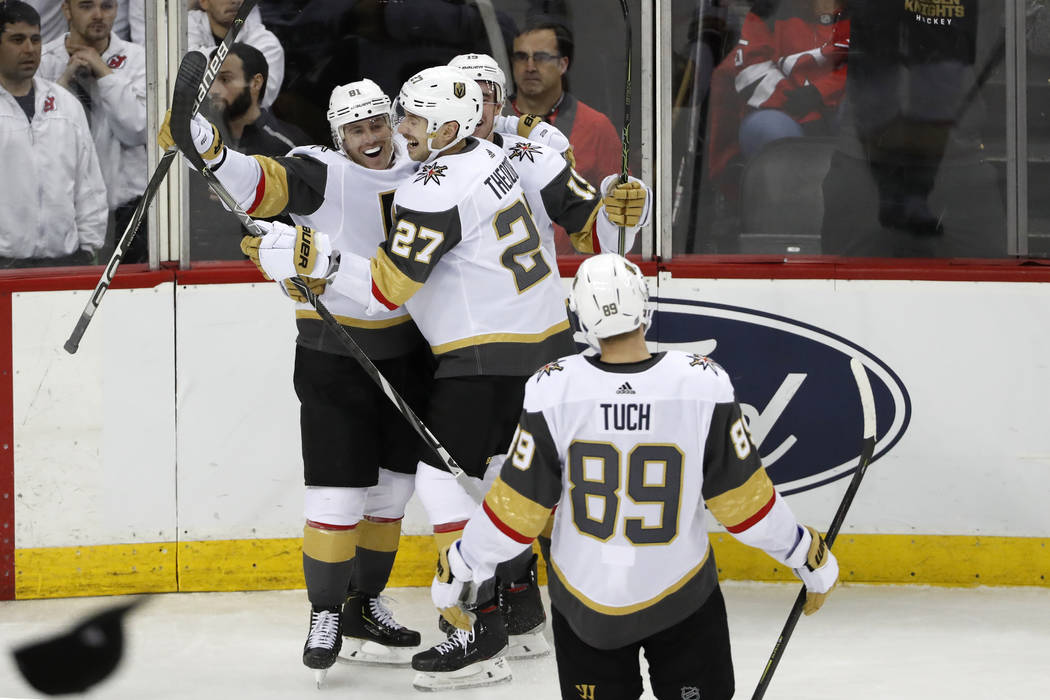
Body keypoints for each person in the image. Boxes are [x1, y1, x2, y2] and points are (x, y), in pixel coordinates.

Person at [430, 252, 840, 700]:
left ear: (579, 317)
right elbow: (746, 507)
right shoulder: (702, 383)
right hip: (683, 598)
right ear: (644, 309)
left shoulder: (552, 388)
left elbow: (516, 515)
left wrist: (461, 565)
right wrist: (806, 553)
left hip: (584, 606)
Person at [159, 78, 429, 681]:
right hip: (335, 354)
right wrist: (205, 146)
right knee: (336, 496)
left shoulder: (425, 165)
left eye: (378, 124)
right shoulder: (320, 172)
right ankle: (326, 612)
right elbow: (259, 183)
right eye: (357, 129)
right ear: (339, 135)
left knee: (391, 495)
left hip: (412, 353)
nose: (372, 139)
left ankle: (364, 607)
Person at [434, 51, 649, 658]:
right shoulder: (424, 153)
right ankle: (496, 588)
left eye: (488, 95)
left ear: (501, 102)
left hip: (526, 343)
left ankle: (518, 579)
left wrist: (616, 206)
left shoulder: (531, 149)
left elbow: (592, 227)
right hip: (465, 346)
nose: (479, 106)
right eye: (466, 94)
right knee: (476, 475)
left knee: (519, 472)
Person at [38, 0, 148, 263]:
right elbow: (40, 138)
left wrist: (105, 73)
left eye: (107, 6)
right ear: (67, 10)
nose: (98, 15)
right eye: (86, 6)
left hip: (127, 203)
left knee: (131, 295)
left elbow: (137, 129)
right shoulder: (43, 60)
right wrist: (64, 82)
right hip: (64, 202)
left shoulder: (138, 58)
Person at [0, 0, 106, 267]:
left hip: (66, 261)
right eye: (17, 39)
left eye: (36, 39)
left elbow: (88, 183)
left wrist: (88, 249)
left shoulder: (65, 104)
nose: (29, 49)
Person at [706, 0, 848, 191]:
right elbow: (751, 70)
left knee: (862, 124)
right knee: (772, 133)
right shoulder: (770, 10)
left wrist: (821, 92)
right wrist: (809, 116)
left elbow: (870, 69)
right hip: (781, 110)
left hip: (844, 109)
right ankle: (785, 213)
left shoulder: (867, 13)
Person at [509, 20, 622, 191]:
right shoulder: (491, 119)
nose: (530, 67)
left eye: (541, 57)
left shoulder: (596, 127)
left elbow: (622, 203)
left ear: (563, 65)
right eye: (521, 57)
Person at [188, 0, 284, 108]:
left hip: (242, 121)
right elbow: (183, 69)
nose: (235, 1)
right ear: (203, 1)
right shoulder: (181, 25)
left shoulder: (268, 43)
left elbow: (259, 96)